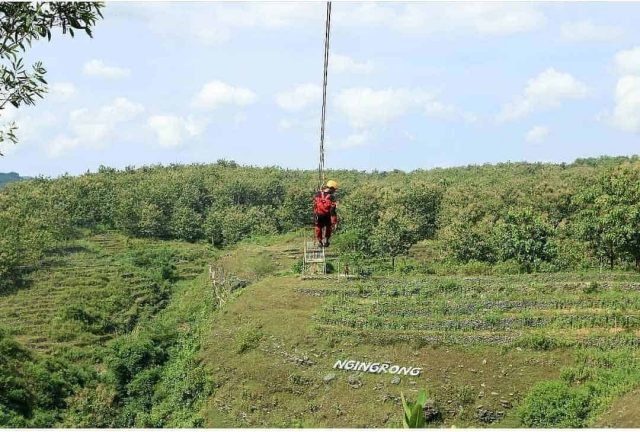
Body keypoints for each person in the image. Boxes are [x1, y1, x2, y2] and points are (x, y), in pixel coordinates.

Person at [313, 180, 338, 247]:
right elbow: (332, 210)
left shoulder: (317, 194)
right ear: (331, 188)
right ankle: (326, 240)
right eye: (334, 190)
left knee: (318, 227)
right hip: (327, 215)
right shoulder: (332, 197)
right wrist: (334, 222)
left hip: (318, 215)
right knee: (329, 227)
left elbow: (315, 204)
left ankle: (319, 241)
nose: (334, 192)